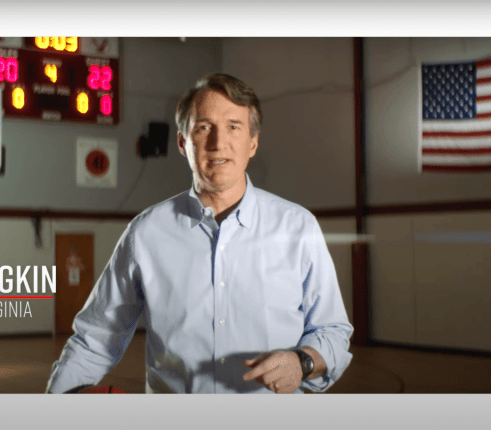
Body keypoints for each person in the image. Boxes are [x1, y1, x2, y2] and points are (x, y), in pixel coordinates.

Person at [46, 73, 353, 393]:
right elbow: (94, 339)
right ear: (182, 142)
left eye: (234, 126)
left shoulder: (297, 227)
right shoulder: (146, 234)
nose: (218, 142)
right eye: (203, 127)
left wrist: (301, 361)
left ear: (253, 142)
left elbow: (332, 331)